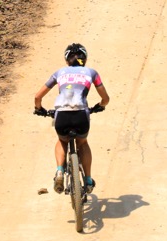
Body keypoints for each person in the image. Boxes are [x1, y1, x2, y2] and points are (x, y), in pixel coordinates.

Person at [34, 43, 110, 194]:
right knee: (82, 143)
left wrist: (39, 109)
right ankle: (88, 180)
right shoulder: (92, 72)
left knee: (62, 140)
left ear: (66, 59)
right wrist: (100, 106)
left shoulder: (59, 73)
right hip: (81, 115)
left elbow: (37, 96)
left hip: (62, 115)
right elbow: (105, 98)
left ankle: (60, 171)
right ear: (85, 58)